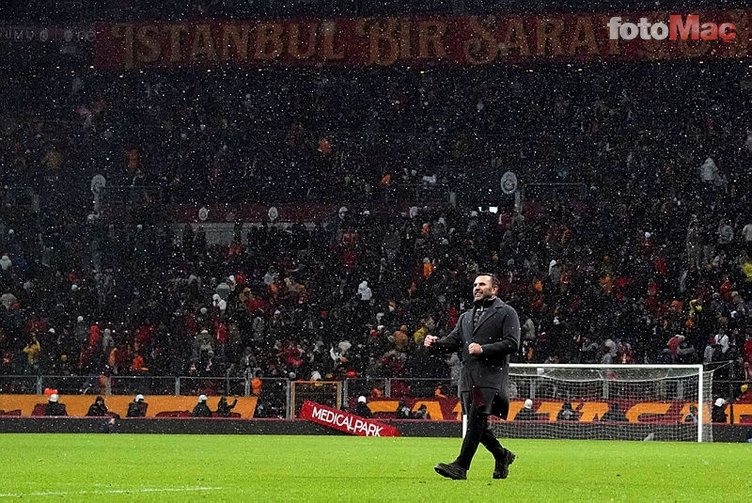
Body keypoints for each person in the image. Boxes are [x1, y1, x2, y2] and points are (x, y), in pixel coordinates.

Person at [425, 273, 520, 480]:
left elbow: (512, 343)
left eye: (482, 284)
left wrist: (483, 349)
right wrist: (435, 344)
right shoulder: (465, 317)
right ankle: (502, 455)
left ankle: (461, 466)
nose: (477, 287)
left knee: (477, 420)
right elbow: (452, 342)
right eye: (475, 284)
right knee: (479, 425)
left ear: (494, 289)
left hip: (491, 377)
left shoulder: (507, 312)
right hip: (468, 378)